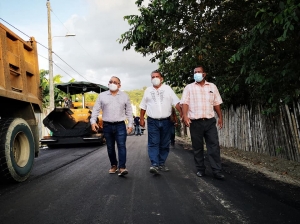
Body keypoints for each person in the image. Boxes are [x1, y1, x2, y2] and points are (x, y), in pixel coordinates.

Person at [181, 65, 224, 180]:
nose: (197, 74)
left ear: (204, 74)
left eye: (199, 72)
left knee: (214, 146)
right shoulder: (189, 88)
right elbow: (185, 103)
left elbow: (216, 103)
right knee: (197, 147)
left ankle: (217, 171)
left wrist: (220, 117)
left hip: (210, 121)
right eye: (195, 72)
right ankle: (200, 169)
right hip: (195, 122)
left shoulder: (212, 87)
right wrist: (185, 116)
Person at [139, 70, 182, 174]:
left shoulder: (168, 89)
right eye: (153, 77)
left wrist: (182, 113)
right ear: (151, 79)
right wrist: (141, 119)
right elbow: (143, 106)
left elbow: (176, 102)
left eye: (157, 76)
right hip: (152, 121)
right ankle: (154, 164)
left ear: (161, 78)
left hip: (166, 121)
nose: (155, 78)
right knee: (153, 142)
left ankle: (161, 163)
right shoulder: (148, 91)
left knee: (164, 143)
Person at [90, 76, 133, 176]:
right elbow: (96, 109)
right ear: (108, 84)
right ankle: (113, 165)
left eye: (115, 82)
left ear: (119, 85)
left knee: (121, 146)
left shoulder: (124, 96)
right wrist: (93, 122)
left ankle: (122, 167)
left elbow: (129, 111)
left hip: (120, 125)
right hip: (107, 125)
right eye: (111, 82)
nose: (113, 83)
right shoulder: (102, 96)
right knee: (110, 147)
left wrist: (130, 125)